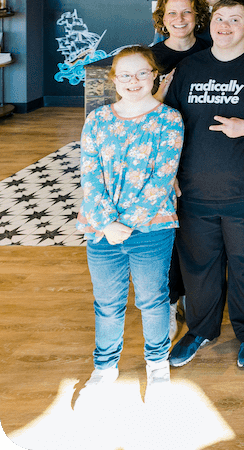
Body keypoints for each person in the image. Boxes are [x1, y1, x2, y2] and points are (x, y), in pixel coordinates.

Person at [164, 0, 244, 369]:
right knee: (198, 268)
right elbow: (169, 125)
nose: (225, 25)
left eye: (235, 20)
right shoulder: (189, 67)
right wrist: (169, 176)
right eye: (220, 18)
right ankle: (201, 330)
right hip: (194, 191)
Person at [76, 46, 184, 400]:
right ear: (114, 80)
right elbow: (89, 175)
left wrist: (130, 223)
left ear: (155, 75)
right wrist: (107, 223)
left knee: (153, 301)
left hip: (151, 229)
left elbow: (163, 177)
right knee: (107, 303)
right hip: (101, 229)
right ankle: (105, 368)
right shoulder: (97, 119)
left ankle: (157, 367)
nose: (134, 81)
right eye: (125, 75)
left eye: (141, 73)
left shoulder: (169, 119)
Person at [149, 0, 210, 339]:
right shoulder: (151, 57)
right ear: (162, 18)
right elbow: (137, 108)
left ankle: (194, 295)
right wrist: (161, 90)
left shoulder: (211, 50)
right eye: (172, 13)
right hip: (162, 156)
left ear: (197, 15)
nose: (180, 19)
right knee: (168, 229)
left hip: (202, 152)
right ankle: (171, 298)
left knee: (196, 232)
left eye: (186, 12)